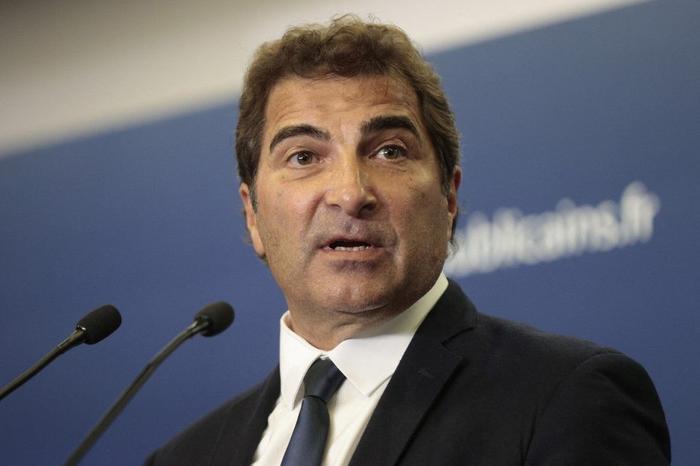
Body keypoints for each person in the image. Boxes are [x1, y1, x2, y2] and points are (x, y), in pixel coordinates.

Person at [146, 16, 670, 465]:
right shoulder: (182, 458)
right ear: (253, 216)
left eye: (390, 151)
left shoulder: (567, 398)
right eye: (303, 156)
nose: (351, 193)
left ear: (449, 197)